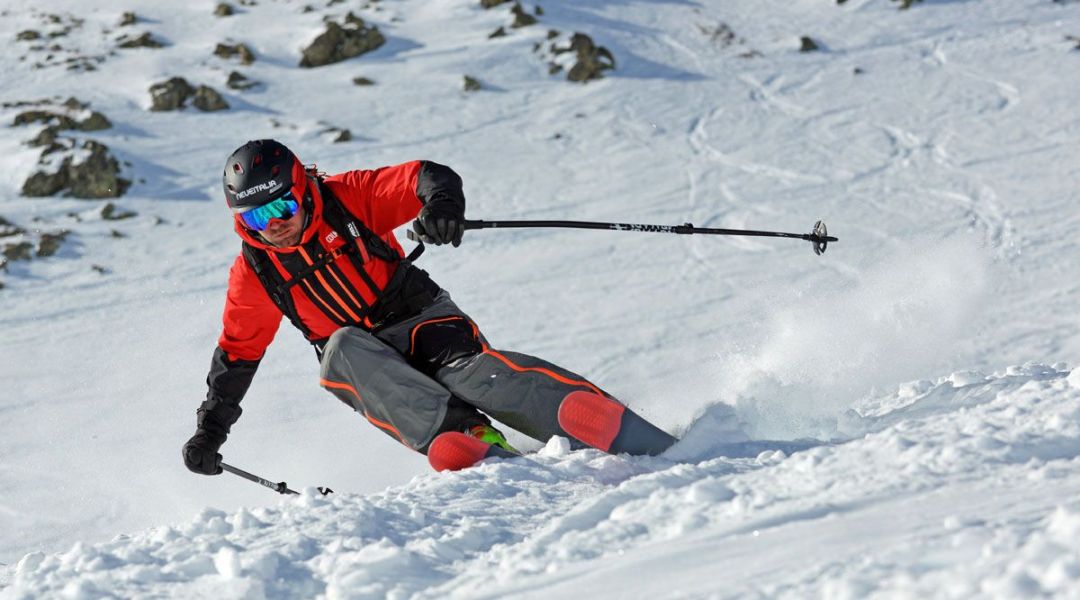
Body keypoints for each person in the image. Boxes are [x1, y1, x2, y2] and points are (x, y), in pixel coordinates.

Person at [182, 139, 675, 477]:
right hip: (367, 363)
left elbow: (425, 177)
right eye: (255, 217)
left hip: (421, 319)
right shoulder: (255, 271)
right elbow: (238, 354)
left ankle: (592, 418)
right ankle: (471, 438)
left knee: (470, 377)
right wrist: (210, 432)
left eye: (280, 207)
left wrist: (441, 207)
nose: (273, 225)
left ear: (300, 188)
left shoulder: (346, 198)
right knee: (338, 351)